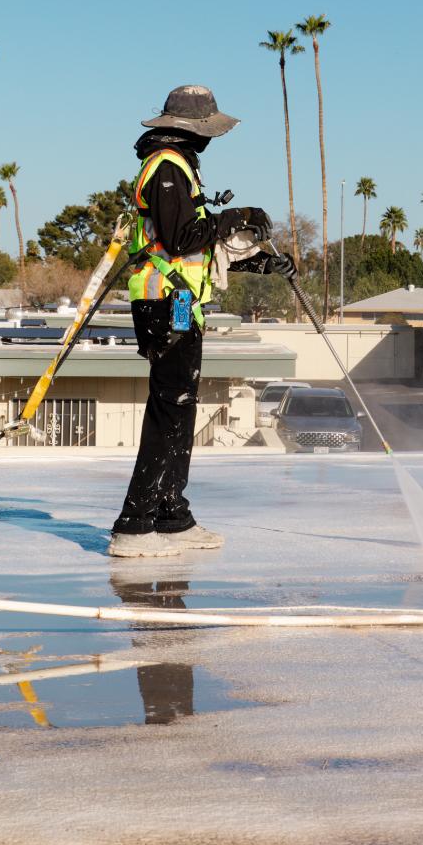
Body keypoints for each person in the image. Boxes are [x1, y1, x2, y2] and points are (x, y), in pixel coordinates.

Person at [109, 85, 294, 558]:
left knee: (181, 408)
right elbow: (178, 239)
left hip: (181, 303)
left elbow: (197, 245)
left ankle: (172, 516)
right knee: (169, 410)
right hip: (163, 304)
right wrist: (233, 216)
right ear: (191, 128)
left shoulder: (179, 166)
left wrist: (258, 262)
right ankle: (134, 524)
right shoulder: (167, 167)